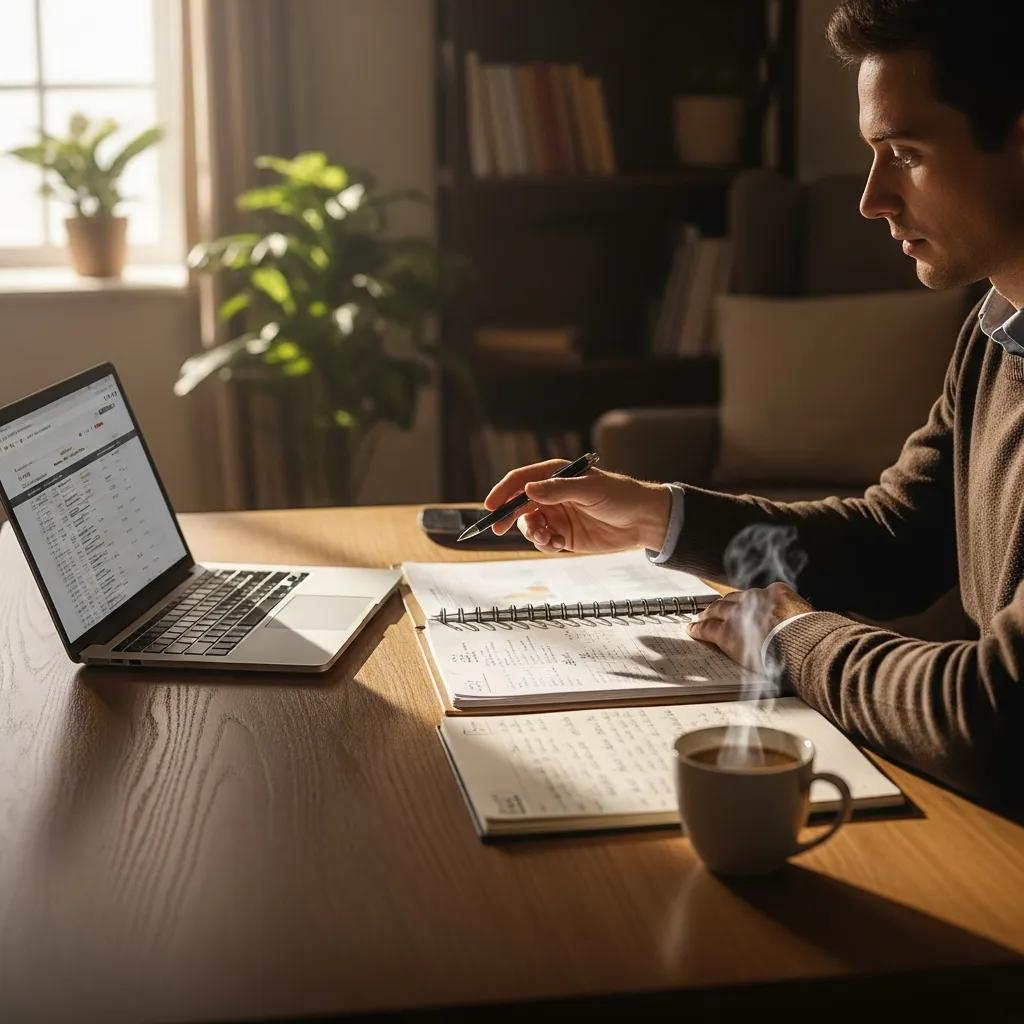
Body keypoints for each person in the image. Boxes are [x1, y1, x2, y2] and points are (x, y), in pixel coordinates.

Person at [483, 0, 1024, 808]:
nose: (872, 199)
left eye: (904, 153)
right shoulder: (996, 332)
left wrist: (786, 637)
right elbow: (894, 540)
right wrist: (655, 516)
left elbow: (994, 715)